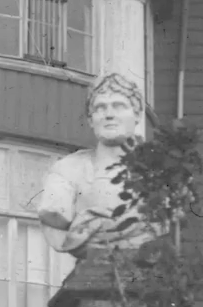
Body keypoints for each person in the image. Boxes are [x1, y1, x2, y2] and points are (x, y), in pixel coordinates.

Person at [37, 73, 161, 257]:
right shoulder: (67, 171)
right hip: (90, 269)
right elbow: (53, 217)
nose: (109, 115)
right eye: (100, 108)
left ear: (137, 115)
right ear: (90, 120)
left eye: (118, 106)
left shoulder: (157, 172)